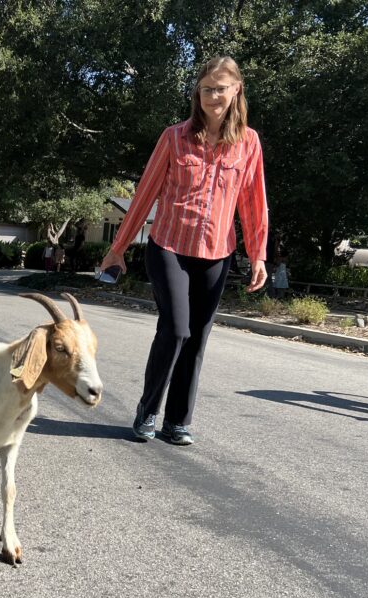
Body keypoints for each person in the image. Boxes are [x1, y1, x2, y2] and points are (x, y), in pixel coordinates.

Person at [99, 55, 268, 446]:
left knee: (197, 338)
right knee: (175, 330)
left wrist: (257, 254)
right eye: (206, 88)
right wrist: (118, 248)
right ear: (198, 92)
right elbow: (145, 195)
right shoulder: (174, 137)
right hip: (170, 246)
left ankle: (178, 421)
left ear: (236, 90)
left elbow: (254, 203)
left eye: (221, 88)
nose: (213, 96)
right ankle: (148, 410)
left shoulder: (249, 143)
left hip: (217, 252)